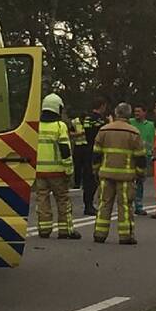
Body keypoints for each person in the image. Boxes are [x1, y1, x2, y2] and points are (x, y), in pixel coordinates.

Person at [92, 103, 146, 245]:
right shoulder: (133, 132)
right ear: (128, 115)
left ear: (116, 113)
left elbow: (96, 154)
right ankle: (125, 236)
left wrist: (96, 170)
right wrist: (140, 174)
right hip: (126, 177)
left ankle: (99, 234)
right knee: (125, 206)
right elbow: (140, 157)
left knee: (104, 203)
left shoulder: (104, 130)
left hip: (106, 175)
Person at [35, 94, 80, 239]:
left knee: (42, 200)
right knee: (62, 200)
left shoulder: (36, 126)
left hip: (40, 171)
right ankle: (65, 230)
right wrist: (69, 169)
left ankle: (44, 229)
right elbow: (65, 150)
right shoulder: (60, 126)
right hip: (58, 172)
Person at [81, 97, 109, 216]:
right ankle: (89, 205)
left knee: (87, 178)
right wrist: (110, 121)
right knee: (93, 179)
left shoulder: (87, 118)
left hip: (86, 149)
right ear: (102, 106)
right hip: (96, 150)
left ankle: (88, 204)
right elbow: (104, 132)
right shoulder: (99, 120)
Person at [130, 104, 156, 215]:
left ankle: (138, 205)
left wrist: (153, 153)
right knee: (129, 180)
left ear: (144, 113)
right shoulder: (130, 122)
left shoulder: (150, 125)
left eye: (139, 111)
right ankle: (129, 204)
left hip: (145, 156)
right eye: (135, 111)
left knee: (140, 181)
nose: (136, 113)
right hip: (131, 155)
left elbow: (154, 140)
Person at [67, 115, 87, 190]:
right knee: (77, 166)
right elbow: (70, 133)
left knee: (86, 166)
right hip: (78, 146)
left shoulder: (89, 121)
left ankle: (85, 183)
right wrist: (79, 134)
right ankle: (77, 183)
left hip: (86, 146)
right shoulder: (74, 122)